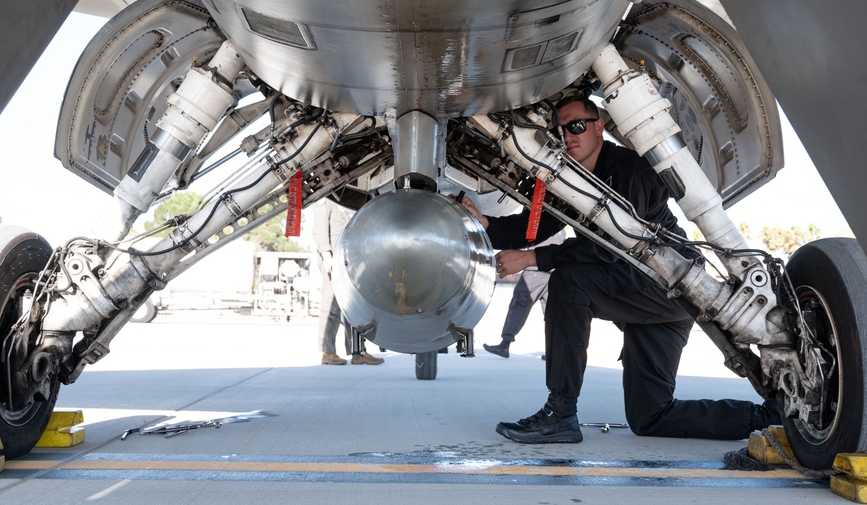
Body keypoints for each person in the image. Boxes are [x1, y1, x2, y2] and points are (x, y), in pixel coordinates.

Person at [460, 95, 779, 444]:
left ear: (599, 126)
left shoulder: (631, 169)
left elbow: (613, 247)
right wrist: (485, 223)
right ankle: (765, 418)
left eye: (576, 126)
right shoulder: (571, 180)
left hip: (670, 287)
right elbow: (530, 228)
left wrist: (533, 259)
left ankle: (561, 412)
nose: (568, 135)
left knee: (569, 282)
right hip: (641, 294)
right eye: (560, 130)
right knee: (650, 416)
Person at [312, 198, 383, 366]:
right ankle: (328, 352)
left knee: (354, 308)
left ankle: (357, 352)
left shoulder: (354, 194)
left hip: (353, 259)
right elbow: (320, 226)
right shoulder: (329, 195)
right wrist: (326, 253)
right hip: (334, 258)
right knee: (330, 307)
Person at [482, 230, 564, 358]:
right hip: (554, 269)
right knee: (552, 313)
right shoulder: (559, 221)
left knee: (519, 306)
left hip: (535, 269)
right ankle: (556, 351)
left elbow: (522, 235)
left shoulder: (540, 216)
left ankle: (505, 344)